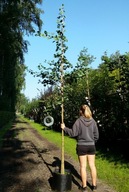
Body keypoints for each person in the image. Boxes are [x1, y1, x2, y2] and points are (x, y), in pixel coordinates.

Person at [61, 104, 99, 192]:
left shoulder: (78, 121)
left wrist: (64, 128)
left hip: (82, 146)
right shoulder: (93, 121)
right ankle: (94, 186)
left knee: (83, 166)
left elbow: (73, 133)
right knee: (92, 166)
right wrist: (92, 142)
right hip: (91, 146)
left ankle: (84, 187)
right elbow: (96, 135)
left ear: (81, 111)